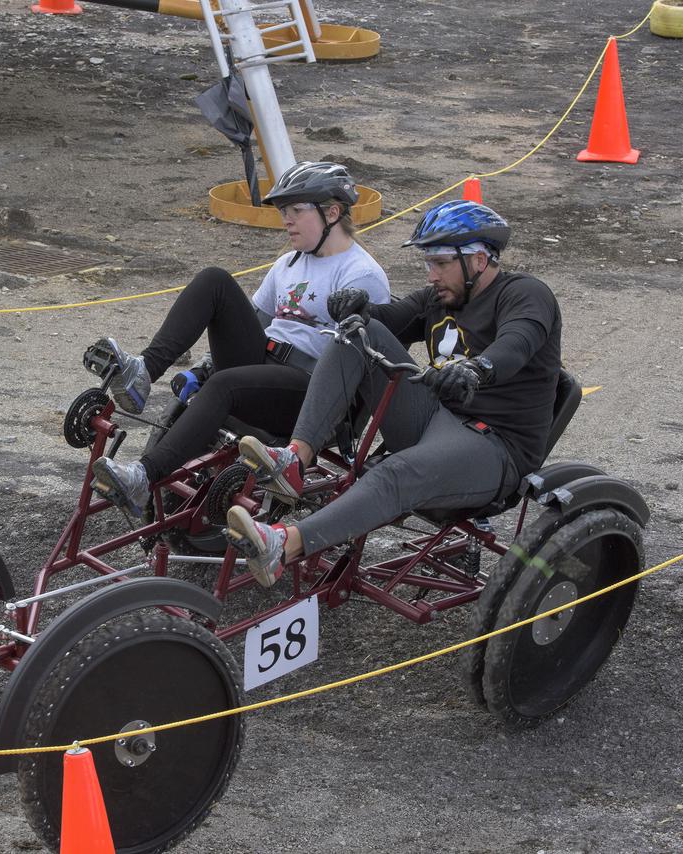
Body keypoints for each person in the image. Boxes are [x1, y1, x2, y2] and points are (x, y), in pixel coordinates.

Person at [224, 200, 563, 586]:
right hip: (436, 418)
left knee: (394, 473)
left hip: (495, 445)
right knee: (353, 332)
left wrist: (477, 368)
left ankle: (281, 546)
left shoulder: (525, 294)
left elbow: (517, 343)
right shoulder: (439, 296)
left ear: (480, 260)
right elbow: (388, 321)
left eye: (440, 263)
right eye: (427, 263)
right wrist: (358, 307)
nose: (431, 274)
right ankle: (293, 460)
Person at [89, 161, 390, 516]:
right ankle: (143, 373)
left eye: (295, 210)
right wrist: (202, 368)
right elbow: (255, 321)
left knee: (226, 385)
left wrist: (217, 376)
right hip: (264, 364)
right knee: (214, 280)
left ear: (333, 212)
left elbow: (358, 368)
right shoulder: (289, 263)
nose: (286, 220)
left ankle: (144, 476)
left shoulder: (362, 274)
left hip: (310, 391)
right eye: (283, 211)